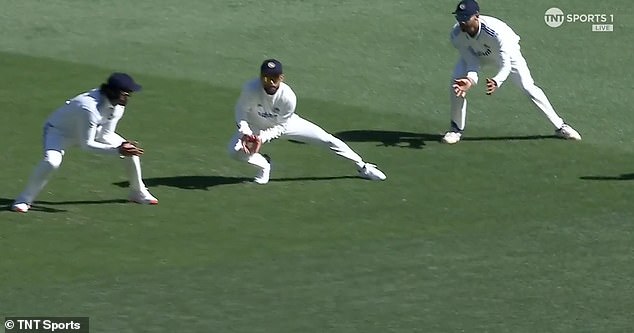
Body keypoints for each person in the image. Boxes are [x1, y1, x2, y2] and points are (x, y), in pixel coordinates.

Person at [11, 73, 158, 213]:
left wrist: (123, 148)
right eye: (126, 93)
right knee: (51, 162)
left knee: (131, 151)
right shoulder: (88, 108)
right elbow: (86, 145)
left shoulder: (119, 105)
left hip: (90, 131)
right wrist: (118, 150)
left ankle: (137, 192)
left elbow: (106, 133)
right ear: (113, 92)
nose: (128, 97)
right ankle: (24, 199)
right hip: (59, 133)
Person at [442, 0, 582, 144]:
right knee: (456, 83)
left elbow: (506, 63)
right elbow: (472, 61)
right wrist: (470, 80)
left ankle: (560, 126)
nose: (461, 22)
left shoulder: (495, 32)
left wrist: (497, 80)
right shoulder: (456, 34)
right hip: (479, 54)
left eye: (465, 19)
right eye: (459, 18)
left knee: (528, 87)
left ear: (476, 16)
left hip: (507, 55)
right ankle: (455, 129)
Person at [227, 59, 387, 184]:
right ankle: (264, 165)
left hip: (285, 125)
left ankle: (363, 167)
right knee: (233, 152)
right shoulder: (250, 88)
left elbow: (282, 126)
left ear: (281, 78)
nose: (269, 82)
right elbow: (241, 111)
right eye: (265, 77)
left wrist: (261, 139)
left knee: (326, 139)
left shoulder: (288, 97)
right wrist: (246, 132)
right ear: (260, 77)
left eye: (274, 78)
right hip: (255, 125)